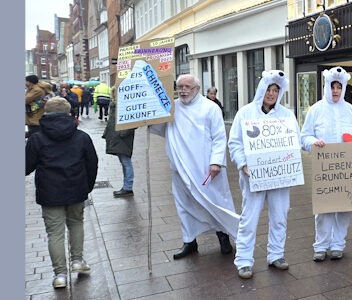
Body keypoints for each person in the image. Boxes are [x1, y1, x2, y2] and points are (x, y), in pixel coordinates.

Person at [149, 74, 239, 260]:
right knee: (185, 206)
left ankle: (223, 237)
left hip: (207, 169)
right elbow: (160, 129)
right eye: (180, 86)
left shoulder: (210, 108)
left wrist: (216, 162)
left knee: (215, 203)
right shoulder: (171, 108)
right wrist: (147, 119)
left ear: (197, 89)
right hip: (180, 169)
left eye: (187, 87)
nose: (183, 90)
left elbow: (219, 137)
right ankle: (189, 241)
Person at [228, 70, 297, 279]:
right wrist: (243, 164)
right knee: (249, 219)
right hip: (253, 177)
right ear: (262, 89)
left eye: (275, 90)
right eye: (269, 89)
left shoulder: (286, 115)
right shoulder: (245, 113)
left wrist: (290, 163)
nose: (271, 94)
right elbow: (235, 143)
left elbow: (294, 140)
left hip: (279, 177)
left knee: (279, 216)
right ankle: (244, 260)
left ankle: (276, 254)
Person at [25, 97, 98, 289]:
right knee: (76, 223)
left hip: (50, 193)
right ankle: (77, 260)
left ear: (46, 114)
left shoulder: (37, 139)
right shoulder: (82, 137)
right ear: (69, 113)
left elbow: (25, 167)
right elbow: (92, 164)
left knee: (54, 233)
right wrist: (87, 187)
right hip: (76, 189)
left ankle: (59, 275)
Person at [300, 67, 352, 263]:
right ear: (327, 86)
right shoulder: (316, 110)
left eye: (339, 87)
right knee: (324, 208)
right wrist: (314, 143)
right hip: (326, 168)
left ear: (344, 87)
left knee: (345, 207)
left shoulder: (351, 110)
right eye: (333, 86)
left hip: (347, 168)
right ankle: (321, 245)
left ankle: (338, 244)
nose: (336, 90)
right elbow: (304, 136)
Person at [102, 98, 136, 197]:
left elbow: (134, 121)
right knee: (124, 162)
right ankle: (126, 186)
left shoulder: (127, 103)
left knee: (126, 162)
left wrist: (123, 133)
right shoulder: (116, 103)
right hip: (117, 137)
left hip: (122, 138)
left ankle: (128, 187)